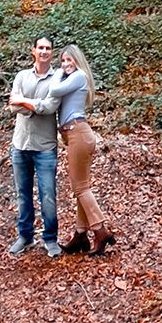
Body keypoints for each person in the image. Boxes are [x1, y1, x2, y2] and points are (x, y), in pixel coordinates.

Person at [48, 44, 115, 255]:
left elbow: (54, 90)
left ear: (77, 60)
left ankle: (100, 229)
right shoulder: (73, 78)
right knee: (81, 186)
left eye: (69, 60)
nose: (66, 64)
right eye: (63, 61)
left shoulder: (79, 76)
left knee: (80, 188)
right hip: (76, 135)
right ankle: (80, 235)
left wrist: (57, 72)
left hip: (79, 133)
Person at [7, 36, 62, 257]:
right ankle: (25, 236)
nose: (44, 51)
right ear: (33, 51)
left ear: (52, 52)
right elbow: (12, 106)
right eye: (40, 47)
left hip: (45, 147)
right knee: (23, 194)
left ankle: (50, 239)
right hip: (20, 144)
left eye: (48, 48)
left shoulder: (57, 78)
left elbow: (51, 106)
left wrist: (25, 103)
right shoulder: (21, 76)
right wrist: (34, 107)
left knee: (48, 195)